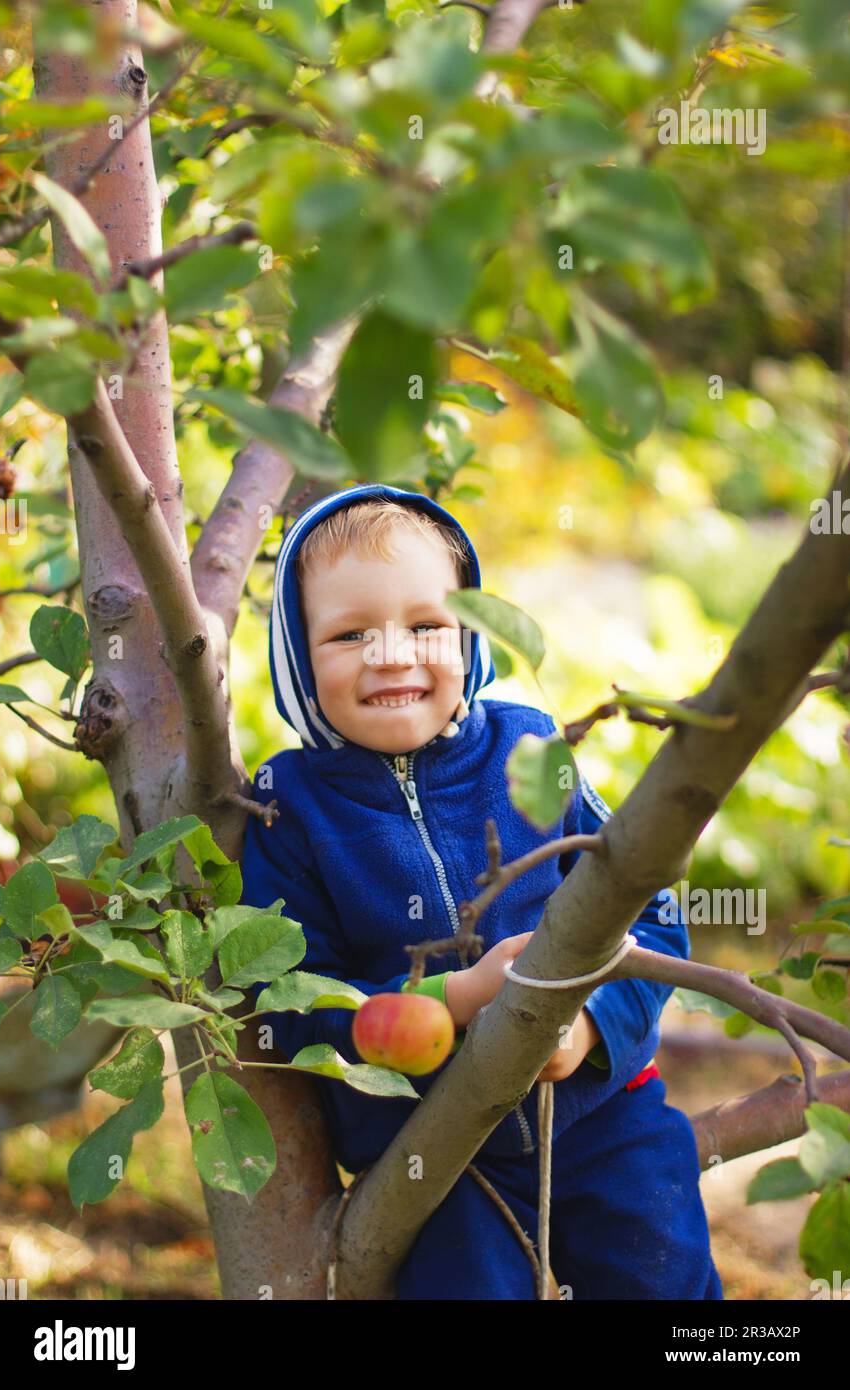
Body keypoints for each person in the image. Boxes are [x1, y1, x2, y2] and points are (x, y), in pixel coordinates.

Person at [240, 481, 723, 1301]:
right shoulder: (288, 807)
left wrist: (587, 1030)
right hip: (428, 1153)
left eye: (426, 625)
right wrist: (452, 999)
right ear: (296, 652)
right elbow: (288, 1003)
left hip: (603, 1112)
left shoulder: (531, 748)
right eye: (350, 633)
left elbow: (654, 919)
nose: (393, 654)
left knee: (663, 1278)